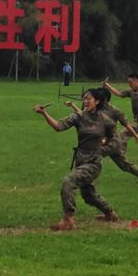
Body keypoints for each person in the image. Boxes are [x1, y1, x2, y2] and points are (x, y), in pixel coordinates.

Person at [34, 88, 120, 231]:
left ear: (97, 101)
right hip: (80, 160)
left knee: (68, 182)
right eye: (84, 98)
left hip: (94, 162)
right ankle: (110, 214)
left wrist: (104, 143)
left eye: (88, 98)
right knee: (88, 194)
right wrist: (44, 113)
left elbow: (112, 135)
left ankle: (68, 220)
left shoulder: (105, 120)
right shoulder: (79, 117)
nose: (85, 101)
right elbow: (58, 126)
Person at [65, 90, 138, 185]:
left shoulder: (114, 111)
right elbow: (83, 115)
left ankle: (89, 182)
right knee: (123, 163)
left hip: (111, 142)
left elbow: (126, 124)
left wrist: (135, 135)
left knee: (90, 156)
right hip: (106, 141)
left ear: (103, 99)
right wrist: (72, 105)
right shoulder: (95, 109)